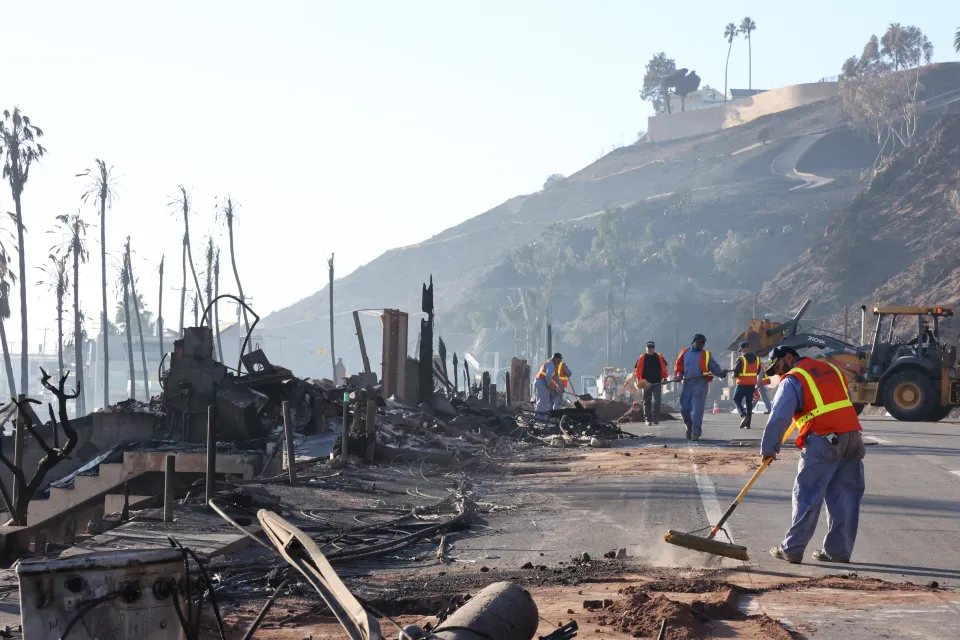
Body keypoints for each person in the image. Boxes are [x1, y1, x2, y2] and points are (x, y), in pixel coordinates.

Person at [760, 345, 866, 564]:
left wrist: (769, 449)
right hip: (852, 437)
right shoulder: (831, 370)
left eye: (777, 366)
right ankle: (838, 552)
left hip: (823, 439)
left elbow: (780, 417)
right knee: (845, 496)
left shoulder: (793, 379)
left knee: (807, 493)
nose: (778, 373)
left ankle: (792, 548)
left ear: (788, 357)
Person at [674, 334, 726, 441]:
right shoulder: (684, 353)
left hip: (700, 384)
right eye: (699, 342)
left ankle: (695, 432)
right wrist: (679, 375)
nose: (701, 344)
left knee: (697, 411)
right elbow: (679, 368)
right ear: (693, 342)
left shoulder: (706, 355)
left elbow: (715, 368)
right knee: (684, 409)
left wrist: (722, 373)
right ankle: (689, 426)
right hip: (687, 384)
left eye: (703, 343)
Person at [635, 341, 669, 426]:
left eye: (652, 347)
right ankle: (647, 419)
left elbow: (664, 368)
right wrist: (643, 382)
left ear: (654, 348)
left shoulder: (659, 357)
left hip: (657, 382)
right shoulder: (642, 358)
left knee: (657, 400)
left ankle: (656, 418)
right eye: (648, 347)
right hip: (646, 383)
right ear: (646, 348)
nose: (650, 349)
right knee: (647, 401)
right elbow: (637, 372)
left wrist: (665, 378)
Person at [732, 342, 762, 429]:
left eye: (740, 350)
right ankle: (748, 424)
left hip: (741, 384)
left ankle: (743, 415)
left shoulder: (741, 359)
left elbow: (736, 373)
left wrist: (734, 376)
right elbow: (758, 371)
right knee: (749, 404)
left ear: (742, 349)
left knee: (736, 400)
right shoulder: (757, 359)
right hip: (752, 384)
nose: (740, 351)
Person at [534, 353, 571, 420]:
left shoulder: (554, 367)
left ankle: (542, 415)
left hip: (543, 382)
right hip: (541, 382)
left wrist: (561, 388)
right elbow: (548, 376)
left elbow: (556, 379)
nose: (560, 361)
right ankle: (539, 416)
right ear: (556, 358)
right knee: (542, 398)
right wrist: (549, 385)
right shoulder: (550, 364)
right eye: (560, 359)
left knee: (545, 399)